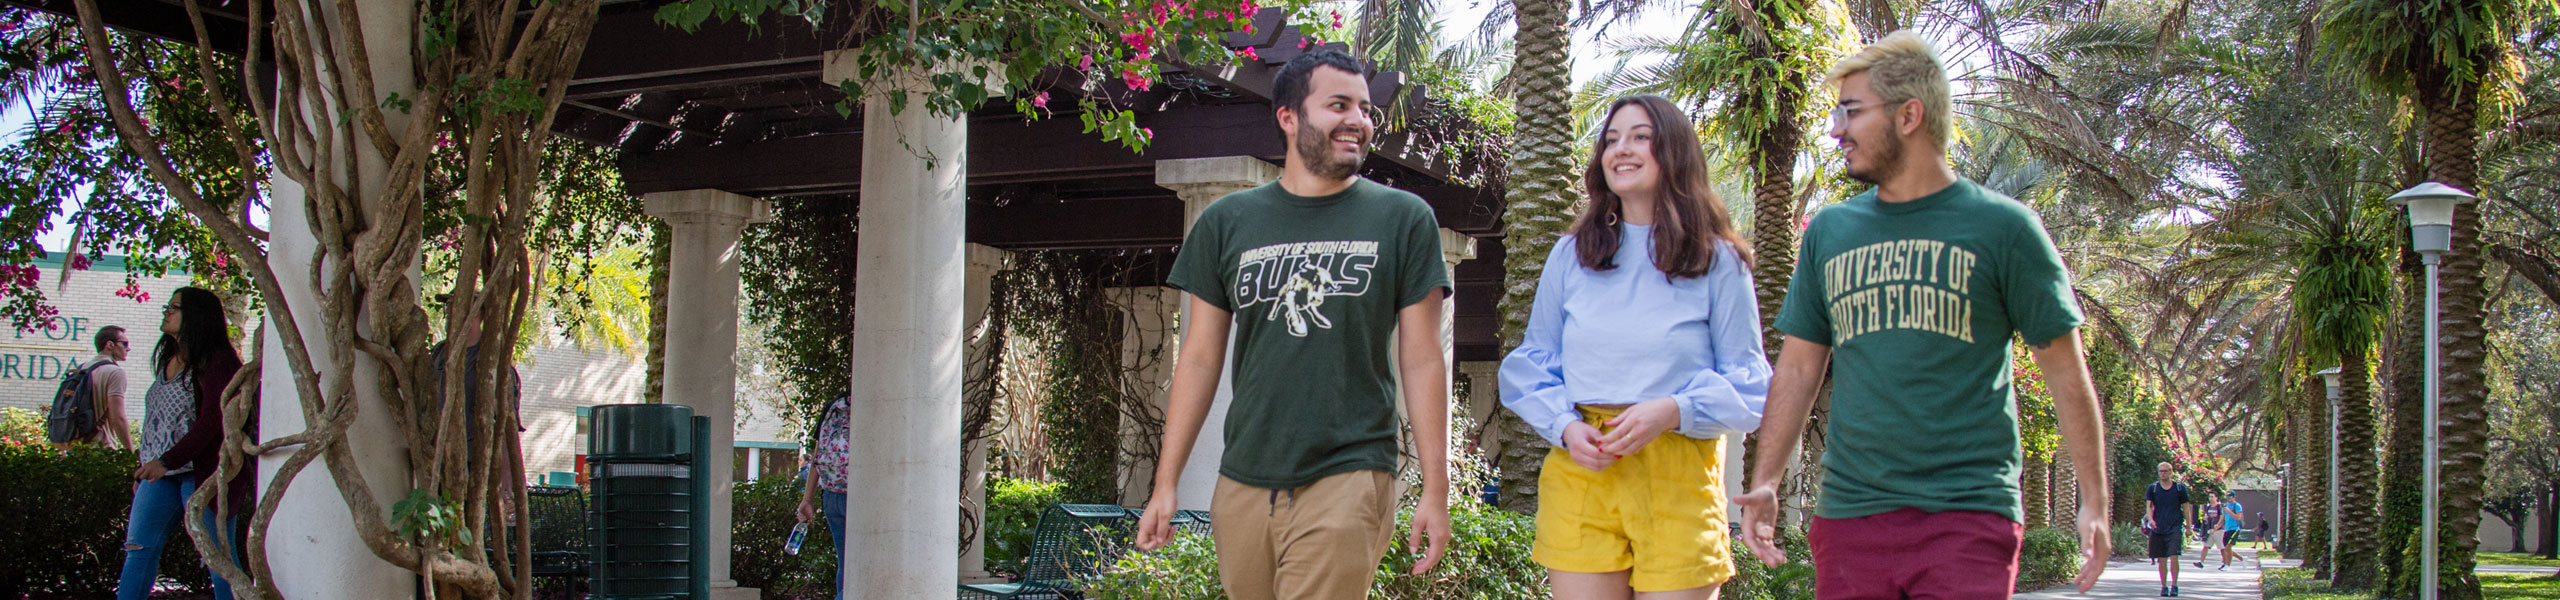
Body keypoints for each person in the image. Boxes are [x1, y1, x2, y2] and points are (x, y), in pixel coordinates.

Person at [1732, 30, 2113, 598]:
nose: (1836, 129)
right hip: (1850, 516)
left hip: (1969, 513)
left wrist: (2096, 503)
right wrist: (1765, 481)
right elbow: (1799, 368)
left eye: (1852, 111)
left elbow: (2064, 370)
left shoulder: (2005, 230)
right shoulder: (1831, 234)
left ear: (1909, 115)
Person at [1132, 48, 1454, 600]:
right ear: (1288, 117)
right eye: (1338, 105)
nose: (1359, 120)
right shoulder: (1225, 223)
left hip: (1349, 470)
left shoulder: (1402, 219)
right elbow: (1201, 357)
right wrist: (1167, 483)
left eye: (1366, 109)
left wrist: (1436, 486)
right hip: (1243, 479)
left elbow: (1422, 357)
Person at [1497, 94, 1771, 599]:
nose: (1621, 149)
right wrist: (1566, 427)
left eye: (1640, 136)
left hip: (1679, 475)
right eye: (1612, 138)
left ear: (1674, 151)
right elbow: (1531, 365)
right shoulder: (1571, 254)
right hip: (1584, 466)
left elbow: (1750, 385)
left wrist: (1671, 411)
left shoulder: (1720, 259)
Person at [117, 287, 247, 600]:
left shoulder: (218, 361)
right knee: (139, 549)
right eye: (168, 305)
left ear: (196, 316)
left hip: (203, 473)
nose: (167, 311)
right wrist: (147, 464)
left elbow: (213, 422)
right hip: (160, 474)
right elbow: (156, 422)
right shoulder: (167, 359)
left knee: (219, 559)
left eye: (174, 307)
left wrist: (165, 461)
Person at [794, 392, 852, 600]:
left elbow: (817, 455)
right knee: (863, 567)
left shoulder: (835, 405)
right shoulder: (874, 405)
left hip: (831, 496)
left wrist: (807, 500)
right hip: (857, 497)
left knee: (846, 566)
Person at [57, 325, 133, 449]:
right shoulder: (115, 372)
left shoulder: (82, 368)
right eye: (125, 343)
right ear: (110, 344)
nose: (128, 348)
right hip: (101, 445)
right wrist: (130, 451)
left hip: (75, 444)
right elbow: (117, 417)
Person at [2143, 462, 2192, 596]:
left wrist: (2189, 526)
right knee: (2161, 559)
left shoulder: (2179, 489)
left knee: (2174, 556)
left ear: (2170, 472)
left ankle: (2174, 585)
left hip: (2174, 526)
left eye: (2165, 471)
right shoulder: (2153, 488)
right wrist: (2151, 519)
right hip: (2158, 527)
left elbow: (2186, 507)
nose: (2162, 474)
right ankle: (2164, 586)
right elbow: (2149, 506)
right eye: (2160, 471)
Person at [2219, 495, 2244, 568]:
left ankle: (2227, 565)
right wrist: (2217, 526)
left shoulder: (2237, 506)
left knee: (2228, 547)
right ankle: (2241, 558)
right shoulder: (2225, 506)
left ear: (2234, 497)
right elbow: (2222, 518)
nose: (2229, 499)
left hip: (2234, 529)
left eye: (2231, 497)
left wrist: (2229, 511)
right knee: (2225, 548)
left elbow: (2238, 517)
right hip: (2227, 529)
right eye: (2228, 497)